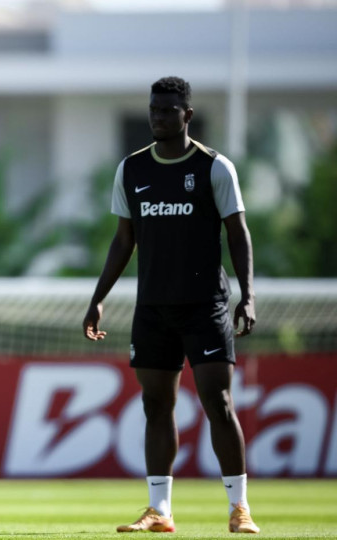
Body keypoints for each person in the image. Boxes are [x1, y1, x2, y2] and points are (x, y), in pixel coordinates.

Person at [83, 76, 259, 534]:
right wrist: (97, 299)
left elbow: (238, 233)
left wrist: (248, 296)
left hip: (206, 307)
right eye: (153, 110)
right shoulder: (133, 169)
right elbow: (123, 241)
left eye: (167, 110)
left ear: (187, 115)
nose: (157, 118)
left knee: (217, 402)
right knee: (155, 405)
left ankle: (239, 509)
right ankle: (159, 510)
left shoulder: (214, 168)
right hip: (153, 310)